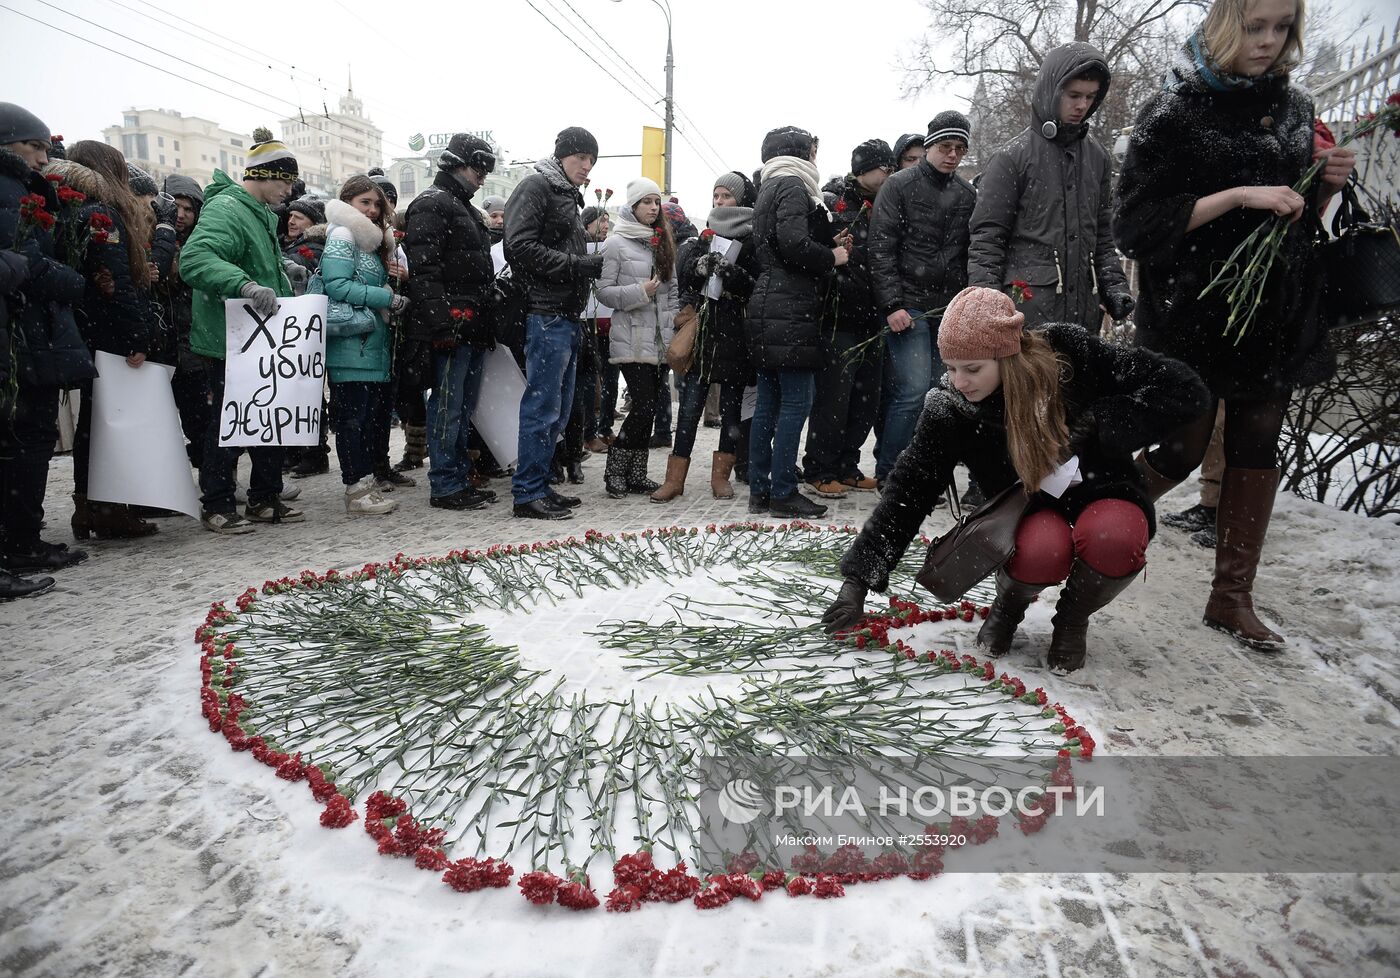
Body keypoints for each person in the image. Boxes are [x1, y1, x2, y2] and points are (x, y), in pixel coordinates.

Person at [1115, 0, 1353, 650]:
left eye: (1282, 28)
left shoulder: (1298, 108)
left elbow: (1296, 214)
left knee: (1256, 445)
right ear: (1226, 24)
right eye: (1256, 26)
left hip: (1272, 316)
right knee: (1184, 450)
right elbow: (1136, 225)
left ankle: (1231, 598)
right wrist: (1240, 195)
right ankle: (1090, 518)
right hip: (1193, 316)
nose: (1269, 42)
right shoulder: (1174, 109)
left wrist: (1323, 184)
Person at [823, 287, 1210, 672]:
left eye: (973, 368)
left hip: (1103, 488)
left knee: (1117, 537)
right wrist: (857, 581)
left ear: (1006, 354)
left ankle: (1072, 619)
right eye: (950, 367)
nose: (959, 381)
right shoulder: (951, 407)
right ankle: (1009, 606)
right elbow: (908, 492)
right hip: (1028, 507)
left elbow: (1184, 389)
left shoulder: (1067, 355)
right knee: (1040, 550)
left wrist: (1100, 421)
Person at [179, 126, 301, 533]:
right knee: (228, 423)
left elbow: (254, 265)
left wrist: (283, 275)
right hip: (230, 340)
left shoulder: (260, 214)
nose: (289, 191)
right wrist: (244, 285)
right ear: (263, 176)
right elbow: (194, 260)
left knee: (266, 417)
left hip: (258, 340)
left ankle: (265, 498)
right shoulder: (227, 209)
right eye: (285, 181)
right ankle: (216, 503)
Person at [968, 43, 1134, 329]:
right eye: (1073, 95)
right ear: (1052, 91)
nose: (1082, 105)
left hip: (1084, 315)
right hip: (1028, 315)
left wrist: (1114, 286)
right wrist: (986, 308)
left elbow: (1102, 236)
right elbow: (987, 240)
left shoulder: (1098, 158)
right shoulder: (1011, 158)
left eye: (1090, 97)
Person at [0, 104, 94, 596]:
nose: (42, 157)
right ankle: (18, 542)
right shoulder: (9, 190)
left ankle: (22, 540)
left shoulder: (23, 189)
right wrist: (77, 280)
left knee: (29, 438)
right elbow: (28, 263)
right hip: (21, 333)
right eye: (32, 146)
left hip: (29, 332)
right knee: (23, 440)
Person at [53, 142, 159, 541]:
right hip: (109, 334)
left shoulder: (68, 208)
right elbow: (116, 285)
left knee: (92, 425)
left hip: (85, 329)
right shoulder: (101, 214)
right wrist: (138, 335)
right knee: (110, 425)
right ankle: (108, 509)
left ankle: (89, 506)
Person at [867, 111, 976, 487]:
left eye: (960, 149)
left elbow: (970, 250)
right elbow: (881, 248)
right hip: (908, 304)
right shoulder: (898, 186)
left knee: (936, 392)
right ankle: (890, 473)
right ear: (930, 146)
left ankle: (922, 468)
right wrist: (892, 305)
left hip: (948, 308)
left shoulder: (966, 193)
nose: (953, 155)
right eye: (946, 147)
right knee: (912, 390)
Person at [503, 126, 605, 520]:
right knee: (542, 406)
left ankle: (541, 484)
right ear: (562, 155)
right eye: (581, 157)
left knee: (558, 409)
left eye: (592, 160)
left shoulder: (564, 194)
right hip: (544, 311)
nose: (587, 166)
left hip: (564, 313)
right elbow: (519, 247)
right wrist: (578, 265)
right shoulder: (537, 187)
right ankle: (527, 492)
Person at [746, 125, 846, 519]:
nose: (815, 158)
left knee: (770, 403)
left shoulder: (770, 185)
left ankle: (761, 488)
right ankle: (784, 491)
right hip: (790, 307)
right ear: (801, 152)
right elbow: (793, 244)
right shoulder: (792, 184)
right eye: (813, 150)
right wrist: (832, 257)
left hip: (771, 304)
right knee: (796, 403)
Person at [403, 132, 499, 511]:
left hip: (470, 323)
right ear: (457, 163)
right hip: (452, 325)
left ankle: (458, 476)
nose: (483, 176)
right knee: (449, 405)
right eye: (479, 167)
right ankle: (445, 483)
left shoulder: (458, 205)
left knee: (461, 405)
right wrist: (441, 322)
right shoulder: (432, 204)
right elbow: (425, 271)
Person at [653, 170, 759, 502]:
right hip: (705, 330)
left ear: (740, 199)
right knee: (689, 408)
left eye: (726, 196)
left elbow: (757, 285)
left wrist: (733, 274)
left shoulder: (753, 236)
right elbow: (684, 277)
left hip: (735, 332)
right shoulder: (706, 235)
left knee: (730, 411)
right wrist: (700, 266)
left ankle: (721, 478)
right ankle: (674, 479)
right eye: (716, 195)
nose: (720, 201)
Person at [802, 139, 892, 499]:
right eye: (883, 168)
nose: (888, 174)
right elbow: (823, 253)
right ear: (863, 169)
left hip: (875, 315)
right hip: (840, 317)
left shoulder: (887, 204)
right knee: (834, 398)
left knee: (866, 398)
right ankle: (820, 468)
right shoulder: (834, 203)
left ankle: (847, 465)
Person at [322, 175, 407, 515]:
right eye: (364, 203)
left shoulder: (370, 242)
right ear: (348, 202)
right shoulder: (343, 235)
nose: (372, 210)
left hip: (370, 343)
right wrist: (385, 295)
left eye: (376, 204)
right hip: (350, 343)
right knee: (352, 420)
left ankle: (365, 484)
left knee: (367, 418)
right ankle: (356, 490)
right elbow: (336, 285)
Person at [596, 177, 676, 499]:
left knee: (652, 407)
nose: (653, 208)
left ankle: (637, 473)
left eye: (656, 202)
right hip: (630, 337)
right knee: (642, 405)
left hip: (659, 341)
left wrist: (671, 331)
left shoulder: (663, 240)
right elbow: (603, 292)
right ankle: (614, 471)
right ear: (632, 205)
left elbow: (673, 292)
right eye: (646, 201)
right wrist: (640, 292)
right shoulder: (615, 243)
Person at [159, 173, 212, 470]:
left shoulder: (201, 244)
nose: (181, 215)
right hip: (161, 346)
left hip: (191, 348)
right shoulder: (152, 237)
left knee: (201, 420)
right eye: (175, 206)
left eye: (188, 209)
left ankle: (213, 478)